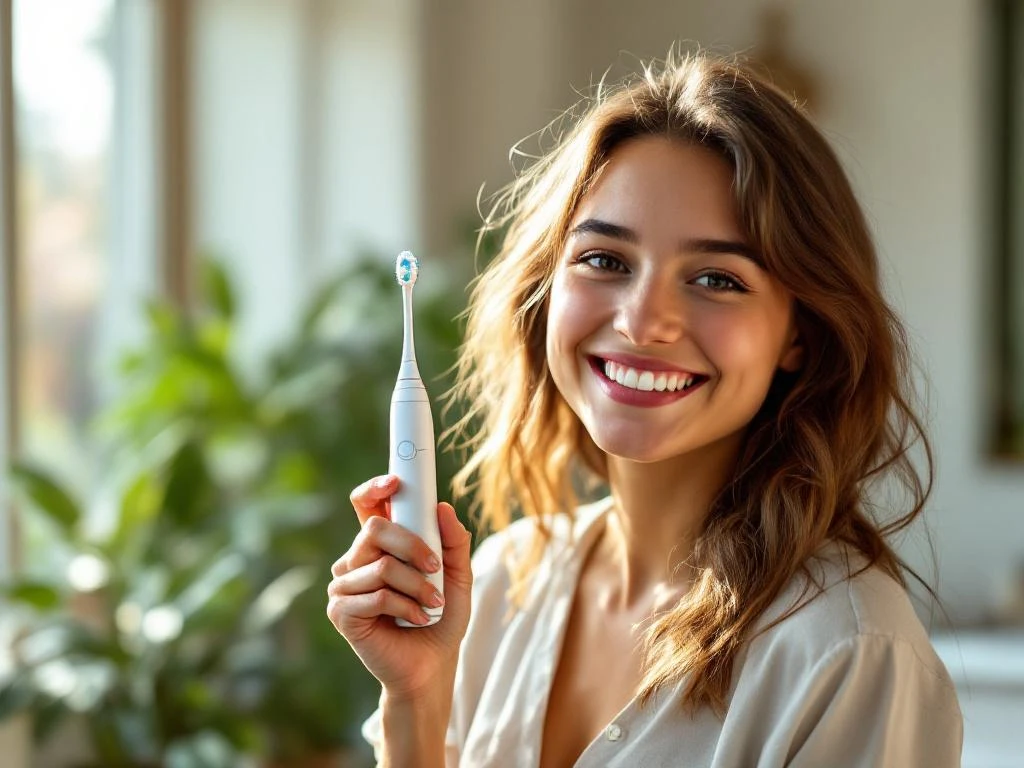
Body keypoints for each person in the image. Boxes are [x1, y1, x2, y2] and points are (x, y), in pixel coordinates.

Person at [326, 50, 964, 767]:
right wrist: (415, 697)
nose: (641, 322)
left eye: (717, 278)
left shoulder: (846, 654)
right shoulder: (502, 585)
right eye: (605, 260)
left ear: (799, 335)